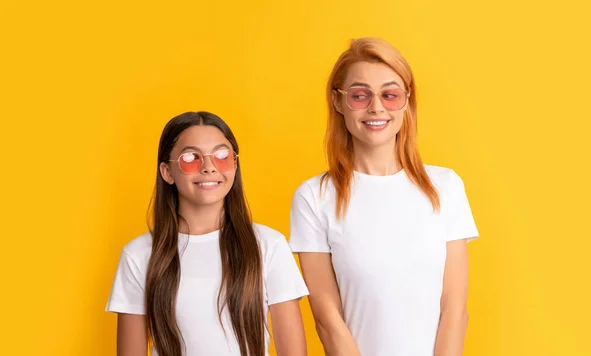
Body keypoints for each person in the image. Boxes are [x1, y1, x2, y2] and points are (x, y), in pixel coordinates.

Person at [289, 38, 479, 356]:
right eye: (360, 95)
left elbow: (454, 310)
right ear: (338, 102)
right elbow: (327, 318)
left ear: (407, 102)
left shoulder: (445, 187)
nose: (376, 107)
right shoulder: (314, 197)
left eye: (390, 95)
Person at [106, 111, 309, 356]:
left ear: (235, 165)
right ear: (167, 172)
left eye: (222, 156)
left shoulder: (268, 246)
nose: (209, 167)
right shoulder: (138, 255)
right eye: (191, 157)